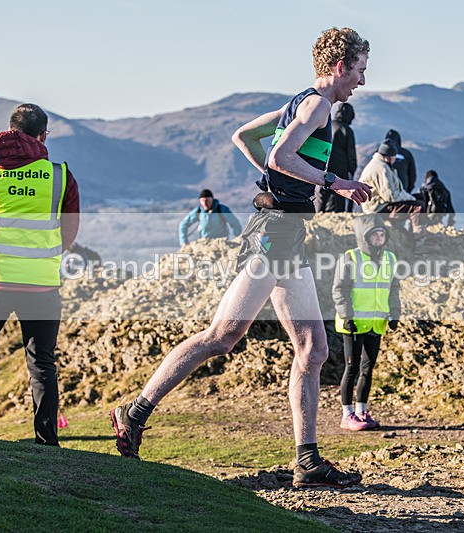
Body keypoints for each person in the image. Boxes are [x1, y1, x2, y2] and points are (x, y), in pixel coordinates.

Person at [110, 27, 372, 489]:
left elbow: (243, 138)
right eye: (359, 71)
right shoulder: (317, 105)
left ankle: (307, 462)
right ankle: (134, 412)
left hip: (289, 234)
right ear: (339, 67)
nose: (361, 81)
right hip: (271, 235)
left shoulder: (299, 102)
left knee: (314, 349)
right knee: (221, 338)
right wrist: (333, 182)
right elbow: (278, 155)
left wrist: (284, 184)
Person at [0, 103, 80, 446]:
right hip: (40, 283)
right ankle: (46, 439)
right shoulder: (60, 174)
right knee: (41, 362)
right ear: (42, 135)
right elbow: (69, 235)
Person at [333, 215, 400, 431]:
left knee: (367, 369)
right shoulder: (350, 258)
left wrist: (395, 314)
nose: (379, 239)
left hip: (376, 323)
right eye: (374, 235)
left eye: (382, 234)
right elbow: (339, 289)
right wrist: (346, 315)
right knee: (351, 368)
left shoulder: (390, 258)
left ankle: (362, 411)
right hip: (353, 324)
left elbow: (393, 289)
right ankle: (347, 415)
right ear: (365, 237)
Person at [358, 140, 426, 233]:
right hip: (378, 208)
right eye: (394, 157)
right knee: (418, 207)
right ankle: (419, 237)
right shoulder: (382, 169)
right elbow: (390, 196)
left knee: (419, 198)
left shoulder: (379, 164)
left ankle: (409, 231)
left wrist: (410, 198)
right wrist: (410, 198)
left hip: (378, 204)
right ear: (389, 157)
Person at [316, 102, 357, 213]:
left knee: (321, 197)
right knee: (339, 200)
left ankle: (317, 217)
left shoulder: (327, 125)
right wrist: (352, 170)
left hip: (322, 167)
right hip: (340, 170)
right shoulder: (346, 130)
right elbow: (351, 154)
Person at [178, 189, 243, 246]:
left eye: (207, 200)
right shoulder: (199, 211)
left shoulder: (221, 209)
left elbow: (235, 223)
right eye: (203, 201)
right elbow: (183, 224)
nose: (205, 203)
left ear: (212, 199)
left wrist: (238, 239)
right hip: (204, 244)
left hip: (221, 244)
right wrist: (183, 241)